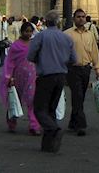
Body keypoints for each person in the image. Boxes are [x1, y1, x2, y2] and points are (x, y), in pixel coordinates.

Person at [27, 11, 76, 153]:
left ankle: (53, 129)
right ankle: (48, 145)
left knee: (39, 108)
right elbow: (74, 59)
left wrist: (41, 59)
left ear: (45, 22)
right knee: (51, 109)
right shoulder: (66, 38)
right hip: (61, 76)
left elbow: (30, 56)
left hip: (46, 76)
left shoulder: (41, 36)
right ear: (58, 22)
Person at [64, 9, 99, 136]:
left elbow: (94, 52)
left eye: (83, 17)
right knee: (77, 95)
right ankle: (81, 125)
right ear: (74, 18)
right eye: (78, 17)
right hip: (72, 69)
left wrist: (98, 68)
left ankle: (73, 122)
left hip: (86, 69)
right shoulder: (67, 34)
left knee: (79, 97)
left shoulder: (90, 34)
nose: (81, 19)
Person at [0, 22, 40, 134]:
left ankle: (34, 125)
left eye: (30, 31)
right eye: (26, 31)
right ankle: (11, 123)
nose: (28, 33)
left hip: (32, 77)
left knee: (32, 101)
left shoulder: (34, 44)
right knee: (15, 101)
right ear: (22, 32)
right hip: (17, 77)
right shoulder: (15, 46)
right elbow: (10, 63)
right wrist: (9, 77)